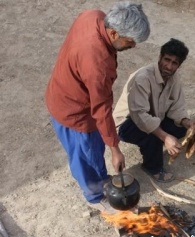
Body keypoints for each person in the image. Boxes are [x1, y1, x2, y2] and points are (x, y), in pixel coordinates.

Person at [45, 2, 150, 213]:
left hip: (61, 91)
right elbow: (101, 110)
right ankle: (95, 196)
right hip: (74, 113)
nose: (133, 46)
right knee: (86, 155)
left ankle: (101, 179)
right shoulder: (97, 62)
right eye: (130, 41)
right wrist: (115, 149)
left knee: (91, 150)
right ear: (113, 33)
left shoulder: (93, 16)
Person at [114, 38, 194, 182]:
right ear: (160, 57)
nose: (169, 66)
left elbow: (177, 105)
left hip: (154, 117)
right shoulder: (143, 78)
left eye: (174, 63)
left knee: (181, 128)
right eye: (166, 60)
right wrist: (164, 137)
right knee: (153, 136)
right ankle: (152, 167)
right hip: (128, 123)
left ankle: (160, 141)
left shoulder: (173, 78)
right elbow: (140, 117)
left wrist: (186, 121)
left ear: (179, 66)